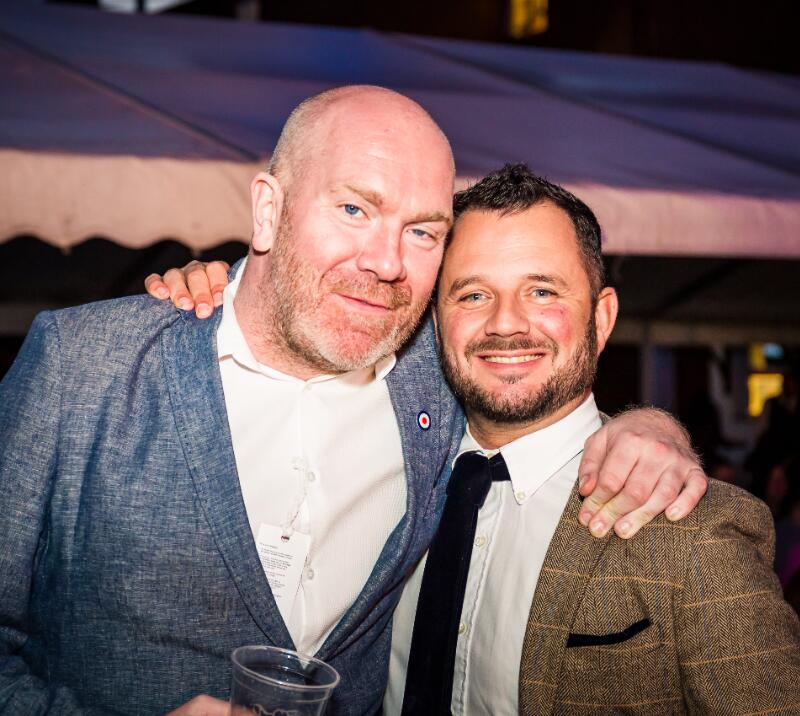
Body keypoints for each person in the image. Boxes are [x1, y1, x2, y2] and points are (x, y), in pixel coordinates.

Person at [1, 87, 704, 716]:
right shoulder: (85, 364)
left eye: (423, 231)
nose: (387, 262)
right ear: (268, 210)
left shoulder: (439, 376)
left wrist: (652, 426)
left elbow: (538, 392)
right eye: (353, 208)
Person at [380, 164, 800, 714]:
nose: (506, 324)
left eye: (541, 290)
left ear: (602, 319)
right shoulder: (391, 475)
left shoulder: (693, 534)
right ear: (437, 322)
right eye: (474, 295)